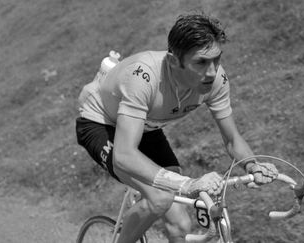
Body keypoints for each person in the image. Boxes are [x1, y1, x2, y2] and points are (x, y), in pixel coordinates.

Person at [76, 13, 278, 243]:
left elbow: (232, 140)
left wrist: (253, 165)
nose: (212, 72)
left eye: (217, 59)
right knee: (160, 198)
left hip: (145, 128)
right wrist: (187, 184)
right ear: (173, 62)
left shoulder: (216, 80)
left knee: (181, 225)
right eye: (201, 62)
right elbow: (123, 156)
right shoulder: (143, 77)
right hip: (100, 122)